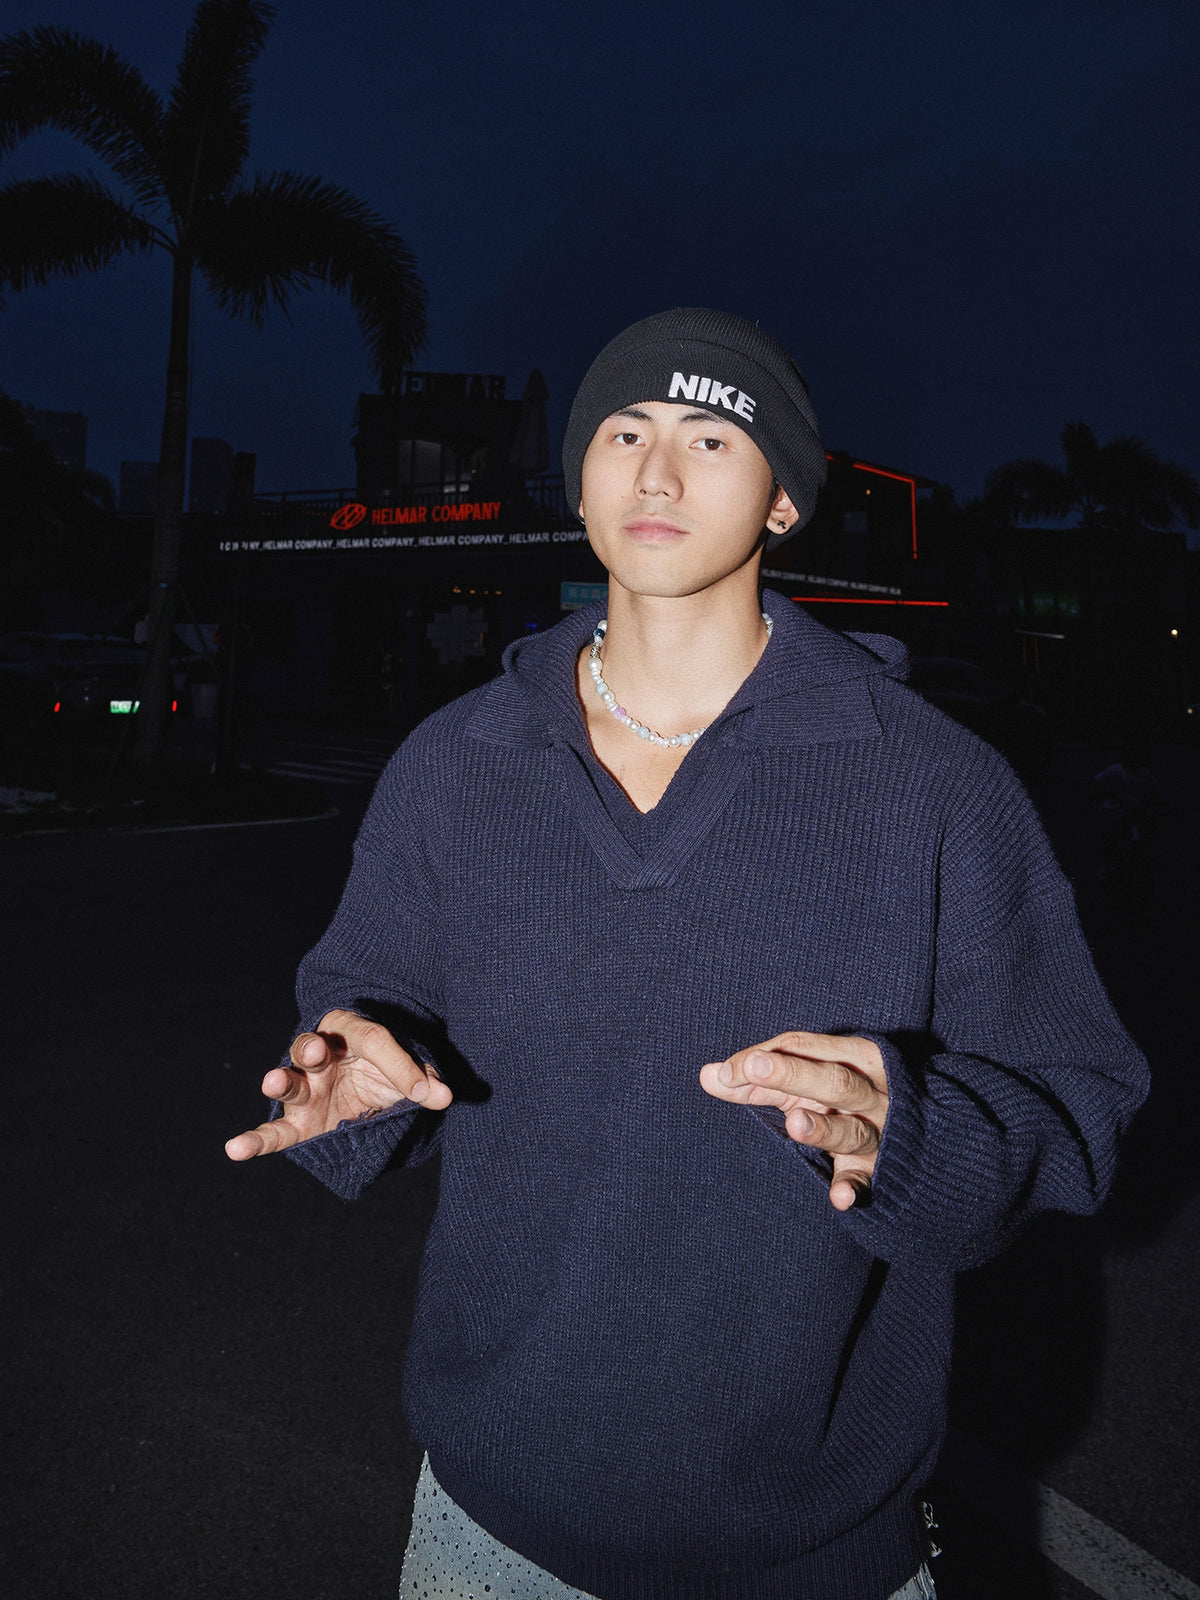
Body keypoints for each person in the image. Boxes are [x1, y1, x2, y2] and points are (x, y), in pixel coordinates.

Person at [226, 309, 1148, 1600]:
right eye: (625, 431)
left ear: (784, 501)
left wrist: (913, 1136)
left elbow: (1077, 1104)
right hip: (490, 1528)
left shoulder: (934, 786)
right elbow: (364, 992)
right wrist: (353, 1069)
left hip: (813, 1551)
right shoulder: (456, 762)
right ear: (580, 482)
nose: (657, 471)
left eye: (712, 437)